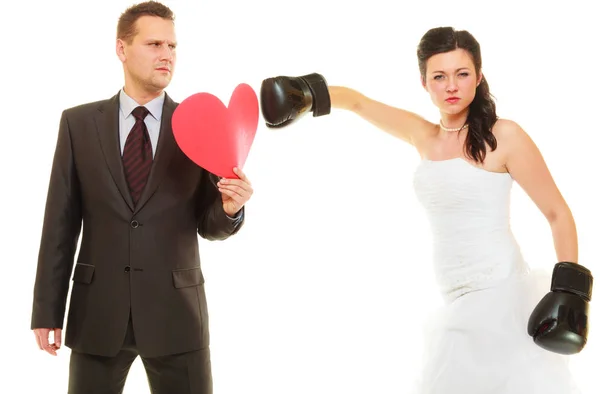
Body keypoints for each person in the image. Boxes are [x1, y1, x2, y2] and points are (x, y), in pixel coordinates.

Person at [259, 26, 592, 393]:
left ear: (479, 77)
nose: (451, 86)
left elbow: (557, 212)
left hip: (499, 291)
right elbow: (358, 102)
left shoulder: (505, 136)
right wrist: (305, 93)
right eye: (439, 76)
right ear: (424, 83)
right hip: (453, 295)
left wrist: (570, 293)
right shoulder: (424, 136)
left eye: (462, 74)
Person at [30, 2, 252, 393]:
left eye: (172, 46)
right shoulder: (78, 125)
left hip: (177, 315)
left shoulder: (198, 126)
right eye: (154, 44)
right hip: (97, 314)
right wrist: (47, 311)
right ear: (122, 48)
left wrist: (230, 210)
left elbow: (208, 224)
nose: (167, 55)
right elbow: (59, 225)